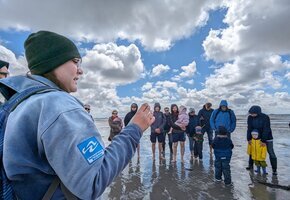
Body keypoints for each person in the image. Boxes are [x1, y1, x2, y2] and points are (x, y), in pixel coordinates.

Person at [0, 30, 155, 199]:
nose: (80, 71)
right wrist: (135, 129)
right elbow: (93, 181)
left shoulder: (22, 103)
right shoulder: (59, 106)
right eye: (75, 62)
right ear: (53, 62)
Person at [246, 105, 277, 175]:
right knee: (252, 151)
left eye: (253, 113)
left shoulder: (265, 117)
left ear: (258, 112)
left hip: (267, 138)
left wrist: (263, 140)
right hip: (254, 138)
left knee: (271, 152)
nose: (252, 114)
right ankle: (250, 166)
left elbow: (266, 129)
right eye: (251, 113)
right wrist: (249, 139)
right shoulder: (250, 118)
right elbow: (249, 128)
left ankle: (274, 170)